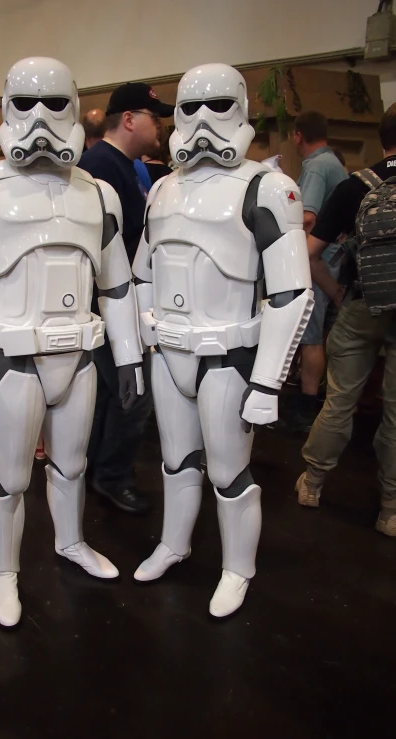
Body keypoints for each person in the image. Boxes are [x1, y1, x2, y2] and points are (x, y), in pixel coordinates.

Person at [0, 57, 144, 627]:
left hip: (80, 356)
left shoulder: (98, 195)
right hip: (14, 358)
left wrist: (129, 354)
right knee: (10, 478)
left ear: (75, 108)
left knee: (71, 466)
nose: (41, 118)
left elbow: (117, 284)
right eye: (25, 104)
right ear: (4, 111)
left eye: (55, 104)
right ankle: (4, 572)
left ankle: (69, 542)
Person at [132, 64, 313, 617]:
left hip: (229, 354)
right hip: (170, 351)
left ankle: (238, 568)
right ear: (176, 117)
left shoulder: (268, 187)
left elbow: (292, 294)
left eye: (218, 106)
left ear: (242, 111)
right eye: (190, 108)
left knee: (230, 473)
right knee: (176, 460)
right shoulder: (160, 187)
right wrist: (143, 338)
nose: (204, 120)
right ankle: (174, 543)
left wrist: (267, 381)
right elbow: (142, 273)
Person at [295, 103, 396, 536]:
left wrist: (338, 291)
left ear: (382, 136)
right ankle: (391, 508)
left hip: (360, 304)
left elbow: (309, 252)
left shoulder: (358, 185)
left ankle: (312, 483)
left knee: (339, 400)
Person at [79, 82, 174, 513]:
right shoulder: (102, 167)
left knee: (115, 394)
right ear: (131, 120)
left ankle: (101, 468)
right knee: (132, 393)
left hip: (124, 298)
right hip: (114, 301)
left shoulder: (124, 165)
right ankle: (111, 474)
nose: (163, 127)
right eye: (156, 117)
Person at [279, 112, 347, 433]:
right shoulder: (332, 162)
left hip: (320, 261)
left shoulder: (317, 167)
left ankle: (307, 407)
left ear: (298, 135)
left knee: (310, 335)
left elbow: (307, 218)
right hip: (334, 259)